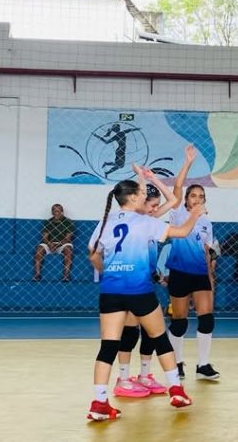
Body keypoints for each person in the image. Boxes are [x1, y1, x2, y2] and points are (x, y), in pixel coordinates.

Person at [86, 177, 203, 421]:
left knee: (108, 347)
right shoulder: (145, 222)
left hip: (111, 291)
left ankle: (99, 403)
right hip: (139, 290)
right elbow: (182, 232)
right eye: (140, 193)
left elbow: (93, 254)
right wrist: (195, 214)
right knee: (159, 337)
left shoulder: (106, 221)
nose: (144, 195)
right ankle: (176, 390)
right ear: (133, 198)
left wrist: (109, 272)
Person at [114, 171, 180, 398]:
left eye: (156, 206)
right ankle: (123, 378)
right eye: (152, 205)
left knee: (151, 332)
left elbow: (173, 200)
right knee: (130, 331)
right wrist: (143, 182)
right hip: (131, 283)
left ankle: (144, 375)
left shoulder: (150, 221)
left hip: (146, 282)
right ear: (140, 202)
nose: (155, 209)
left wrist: (152, 179)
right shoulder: (134, 221)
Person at [165, 146, 220, 382]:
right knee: (179, 322)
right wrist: (188, 162)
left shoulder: (206, 222)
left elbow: (206, 251)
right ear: (187, 199)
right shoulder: (178, 213)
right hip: (179, 272)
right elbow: (177, 187)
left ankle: (203, 365)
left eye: (201, 196)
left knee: (207, 318)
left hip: (199, 275)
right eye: (193, 196)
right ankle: (176, 363)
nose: (197, 199)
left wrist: (210, 277)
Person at [34, 203, 75, 282]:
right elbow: (44, 237)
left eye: (58, 211)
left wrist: (58, 244)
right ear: (52, 212)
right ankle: (37, 275)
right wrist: (49, 244)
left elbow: (68, 238)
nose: (56, 213)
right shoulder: (48, 222)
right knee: (39, 249)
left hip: (62, 244)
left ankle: (66, 276)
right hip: (50, 243)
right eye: (55, 211)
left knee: (68, 249)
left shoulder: (68, 222)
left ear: (62, 212)